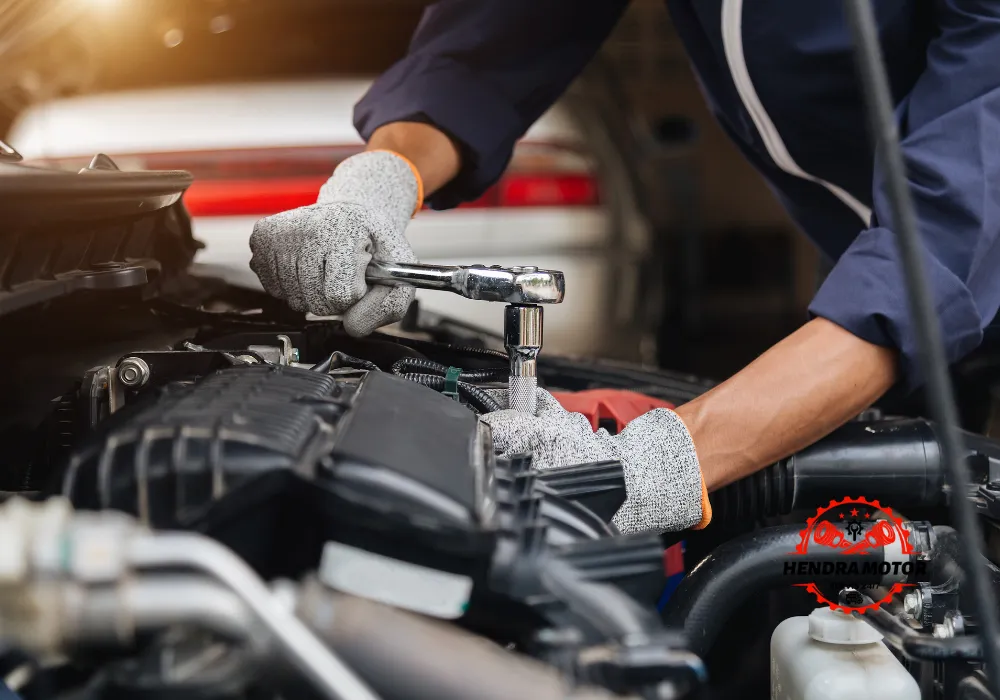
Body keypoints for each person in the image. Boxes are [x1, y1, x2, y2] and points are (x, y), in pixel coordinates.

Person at [249, 1, 1000, 535]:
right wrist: (377, 185)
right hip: (895, 300)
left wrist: (661, 464)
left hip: (943, 268)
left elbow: (938, 250)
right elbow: (482, 51)